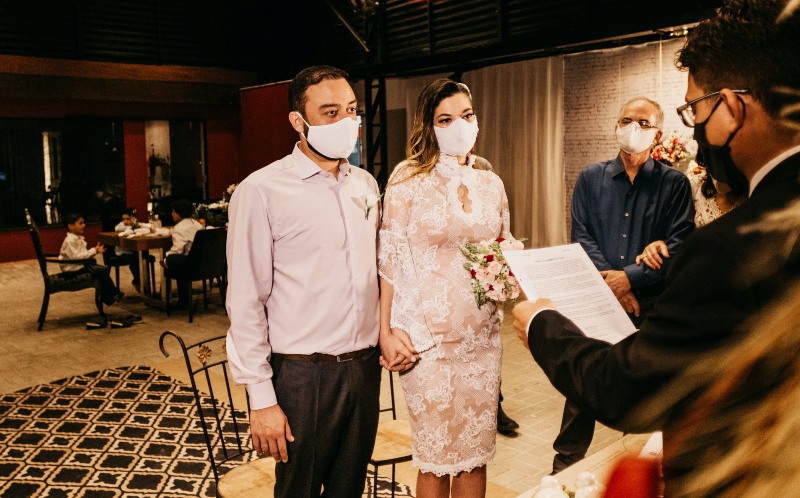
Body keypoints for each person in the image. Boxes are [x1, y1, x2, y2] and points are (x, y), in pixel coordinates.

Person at [512, 0, 800, 493]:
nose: (697, 129)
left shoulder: (729, 250)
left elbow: (628, 390)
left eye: (696, 110)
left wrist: (541, 321)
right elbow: (583, 233)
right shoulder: (591, 179)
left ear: (731, 109)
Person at [225, 65, 381, 498]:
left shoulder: (365, 185)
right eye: (330, 112)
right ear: (299, 121)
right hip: (301, 375)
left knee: (350, 489)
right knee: (299, 490)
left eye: (351, 110)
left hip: (364, 368)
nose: (345, 123)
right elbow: (245, 300)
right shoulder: (262, 191)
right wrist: (262, 398)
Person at [378, 79, 512, 498]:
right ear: (428, 126)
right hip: (428, 342)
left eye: (467, 116)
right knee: (436, 461)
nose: (460, 125)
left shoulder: (492, 183)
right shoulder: (408, 179)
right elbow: (390, 260)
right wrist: (385, 332)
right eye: (446, 119)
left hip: (481, 339)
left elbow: (503, 249)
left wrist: (507, 272)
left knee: (476, 452)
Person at [554, 97, 695, 474]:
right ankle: (562, 471)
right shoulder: (590, 178)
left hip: (650, 306)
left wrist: (629, 280)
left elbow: (678, 246)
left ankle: (637, 474)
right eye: (626, 120)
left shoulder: (675, 184)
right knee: (582, 386)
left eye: (643, 123)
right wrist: (614, 285)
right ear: (616, 125)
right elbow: (582, 238)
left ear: (658, 133)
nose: (633, 127)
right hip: (599, 302)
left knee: (644, 390)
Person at [471, 154, 520, 437]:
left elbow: (503, 232)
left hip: (484, 275)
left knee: (488, 348)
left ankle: (495, 407)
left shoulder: (487, 171)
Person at [636, 159, 745, 270]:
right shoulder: (694, 186)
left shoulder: (755, 194)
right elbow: (678, 232)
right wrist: (662, 243)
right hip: (695, 272)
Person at [59, 213, 124, 306]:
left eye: (83, 223)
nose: (84, 225)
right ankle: (114, 293)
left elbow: (83, 256)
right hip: (71, 268)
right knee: (102, 270)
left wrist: (96, 251)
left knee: (99, 271)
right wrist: (94, 250)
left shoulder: (76, 239)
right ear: (71, 226)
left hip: (77, 265)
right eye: (80, 223)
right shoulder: (70, 240)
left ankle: (109, 297)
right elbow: (77, 257)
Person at [161, 199, 203, 310]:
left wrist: (166, 259)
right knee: (179, 260)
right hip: (204, 263)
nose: (172, 214)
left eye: (173, 211)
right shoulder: (198, 224)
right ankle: (183, 300)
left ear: (178, 213)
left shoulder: (179, 228)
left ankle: (183, 301)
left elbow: (177, 250)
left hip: (191, 265)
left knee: (171, 258)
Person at [113, 208, 141, 288]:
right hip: (122, 252)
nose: (125, 221)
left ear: (133, 218)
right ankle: (137, 282)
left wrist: (135, 225)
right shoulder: (121, 226)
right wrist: (133, 226)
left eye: (128, 219)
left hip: (133, 250)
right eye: (123, 219)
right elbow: (117, 228)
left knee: (141, 258)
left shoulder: (135, 224)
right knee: (133, 260)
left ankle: (142, 282)